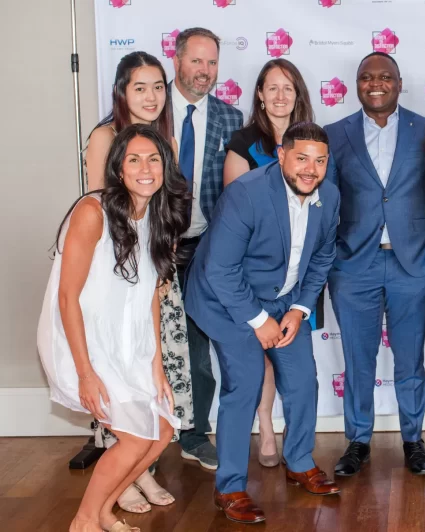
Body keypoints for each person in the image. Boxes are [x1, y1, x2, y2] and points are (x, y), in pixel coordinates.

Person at [184, 122, 341, 524]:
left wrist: (299, 309)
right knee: (246, 383)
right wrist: (258, 320)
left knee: (304, 379)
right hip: (226, 300)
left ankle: (300, 460)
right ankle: (230, 487)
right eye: (302, 158)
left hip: (284, 299)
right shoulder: (247, 194)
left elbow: (322, 257)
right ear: (282, 155)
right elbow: (220, 270)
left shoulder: (330, 196)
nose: (311, 169)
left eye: (320, 160)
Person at [38, 124, 190, 532]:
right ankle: (84, 522)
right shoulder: (93, 212)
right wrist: (86, 373)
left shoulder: (160, 218)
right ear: (118, 168)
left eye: (154, 159)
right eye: (134, 159)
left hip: (131, 340)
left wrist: (156, 363)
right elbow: (67, 298)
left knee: (160, 432)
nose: (145, 168)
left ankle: (103, 512)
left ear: (165, 166)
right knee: (137, 438)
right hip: (84, 341)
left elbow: (151, 300)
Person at [324, 52, 425, 477]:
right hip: (354, 264)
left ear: (399, 81)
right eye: (366, 77)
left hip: (413, 263)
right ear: (357, 84)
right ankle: (358, 441)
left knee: (411, 360)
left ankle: (413, 440)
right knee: (358, 360)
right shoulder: (334, 134)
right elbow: (325, 203)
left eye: (385, 76)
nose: (376, 83)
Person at [83, 50, 190, 514]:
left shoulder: (165, 140)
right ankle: (126, 477)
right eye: (139, 87)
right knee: (121, 376)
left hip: (157, 276)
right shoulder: (105, 137)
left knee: (157, 378)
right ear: (122, 91)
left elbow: (163, 212)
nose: (150, 96)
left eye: (158, 87)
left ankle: (142, 468)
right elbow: (101, 215)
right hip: (118, 283)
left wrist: (161, 270)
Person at [223, 58, 314, 468]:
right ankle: (264, 421)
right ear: (259, 94)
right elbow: (232, 208)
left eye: (288, 88)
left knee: (291, 354)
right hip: (251, 277)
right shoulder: (244, 143)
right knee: (259, 352)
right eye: (271, 87)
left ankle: (299, 454)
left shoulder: (313, 141)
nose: (280, 96)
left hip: (295, 276)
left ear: (298, 95)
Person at [170, 27, 244, 470]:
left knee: (199, 349)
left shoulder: (231, 120)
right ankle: (140, 437)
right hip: (155, 248)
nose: (204, 71)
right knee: (148, 345)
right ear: (177, 60)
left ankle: (194, 434)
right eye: (196, 61)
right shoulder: (151, 111)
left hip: (205, 249)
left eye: (212, 63)